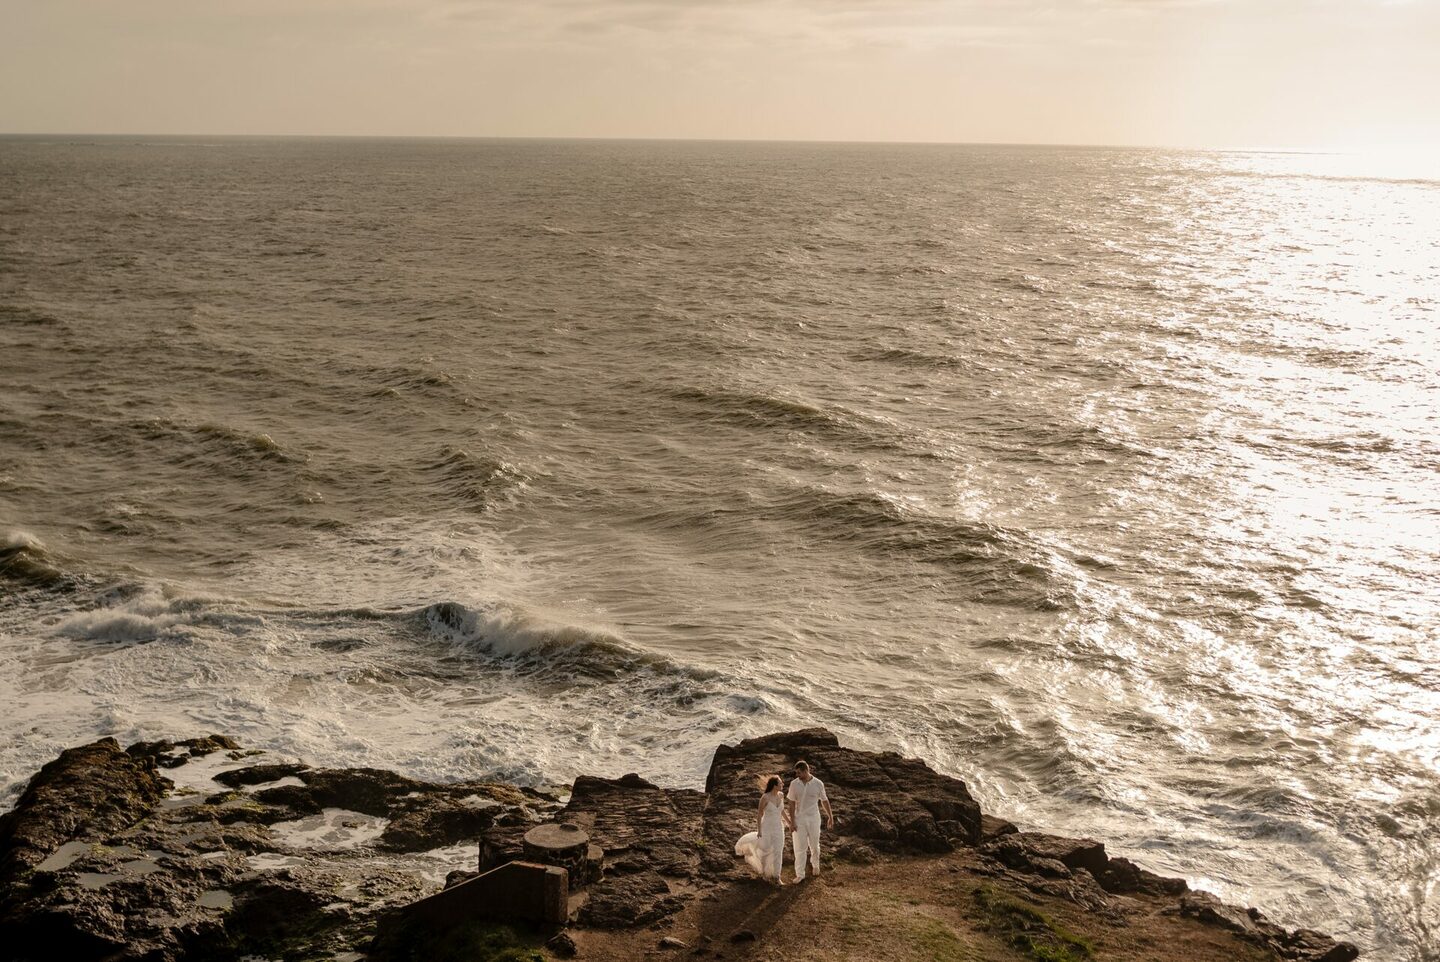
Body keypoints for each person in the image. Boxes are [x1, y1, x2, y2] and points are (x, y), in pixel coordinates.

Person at [734, 774, 790, 885]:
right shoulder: (765, 797)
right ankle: (765, 873)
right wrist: (759, 830)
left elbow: (782, 811)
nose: (783, 784)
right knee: (766, 850)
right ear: (774, 785)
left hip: (779, 827)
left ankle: (777, 876)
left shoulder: (781, 795)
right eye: (780, 782)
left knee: (778, 851)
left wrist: (789, 822)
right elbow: (759, 815)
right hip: (767, 827)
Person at [785, 760, 832, 881]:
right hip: (799, 819)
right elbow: (791, 804)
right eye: (796, 773)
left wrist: (830, 817)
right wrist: (792, 821)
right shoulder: (794, 784)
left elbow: (824, 801)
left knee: (815, 846)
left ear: (806, 771)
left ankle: (815, 865)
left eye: (799, 773)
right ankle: (800, 874)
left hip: (814, 818)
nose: (797, 775)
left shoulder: (818, 784)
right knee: (799, 847)